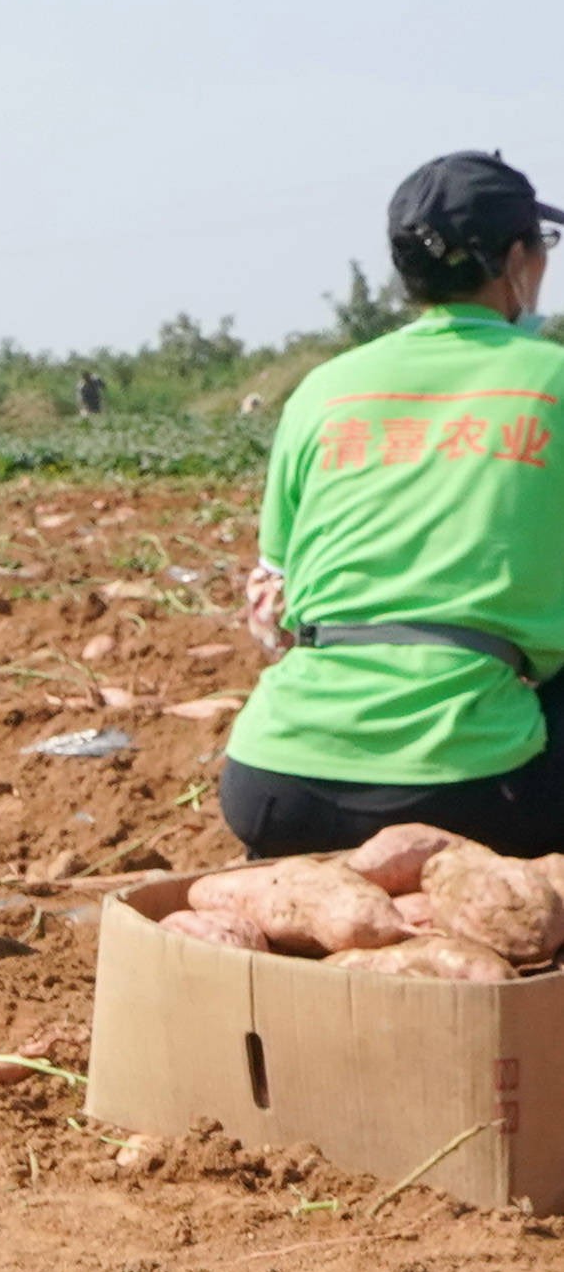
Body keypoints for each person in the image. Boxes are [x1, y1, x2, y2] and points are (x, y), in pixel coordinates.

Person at [223, 150, 564, 859]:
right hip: (474, 788)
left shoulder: (324, 389)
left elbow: (275, 596)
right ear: (515, 261)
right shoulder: (552, 379)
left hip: (277, 781)